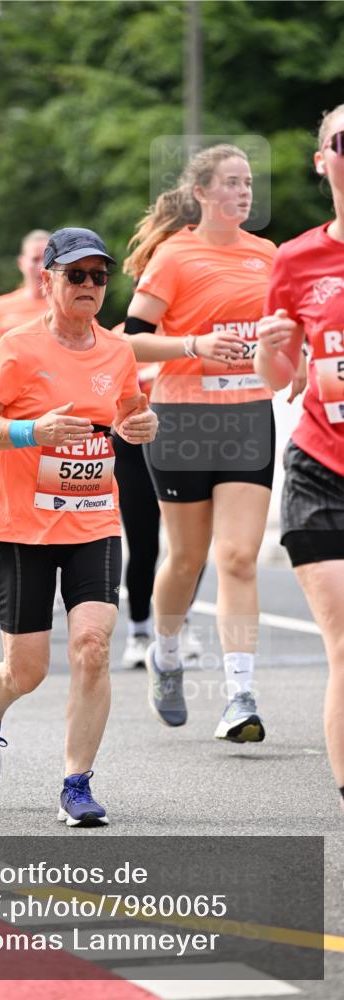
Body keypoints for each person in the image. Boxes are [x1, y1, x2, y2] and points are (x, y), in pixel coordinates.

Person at [0, 227, 158, 827]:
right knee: (27, 669)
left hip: (94, 520)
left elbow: (128, 411)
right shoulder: (19, 347)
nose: (90, 286)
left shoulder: (117, 351)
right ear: (48, 279)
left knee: (93, 648)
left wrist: (139, 425)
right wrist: (32, 433)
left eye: (100, 277)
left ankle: (77, 783)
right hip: (25, 526)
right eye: (77, 275)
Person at [122, 143, 305, 742]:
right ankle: (166, 651)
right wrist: (193, 346)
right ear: (202, 193)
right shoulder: (174, 256)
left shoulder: (268, 255)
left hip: (247, 416)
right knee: (186, 557)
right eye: (231, 182)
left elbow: (282, 335)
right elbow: (130, 341)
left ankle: (239, 695)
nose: (245, 192)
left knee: (237, 557)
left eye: (249, 182)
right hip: (181, 421)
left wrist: (292, 358)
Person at [254, 105, 344, 812]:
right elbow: (278, 378)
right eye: (343, 142)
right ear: (322, 159)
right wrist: (265, 342)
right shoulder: (295, 259)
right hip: (319, 469)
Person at [110, 344, 205, 668]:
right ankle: (138, 633)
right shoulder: (123, 338)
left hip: (186, 439)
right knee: (143, 545)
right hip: (133, 445)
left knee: (190, 547)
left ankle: (182, 625)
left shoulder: (190, 328)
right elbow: (104, 384)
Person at [0, 230, 50, 360]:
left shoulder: (68, 307)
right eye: (35, 259)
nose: (41, 266)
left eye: (47, 260)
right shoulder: (1, 305)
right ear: (21, 263)